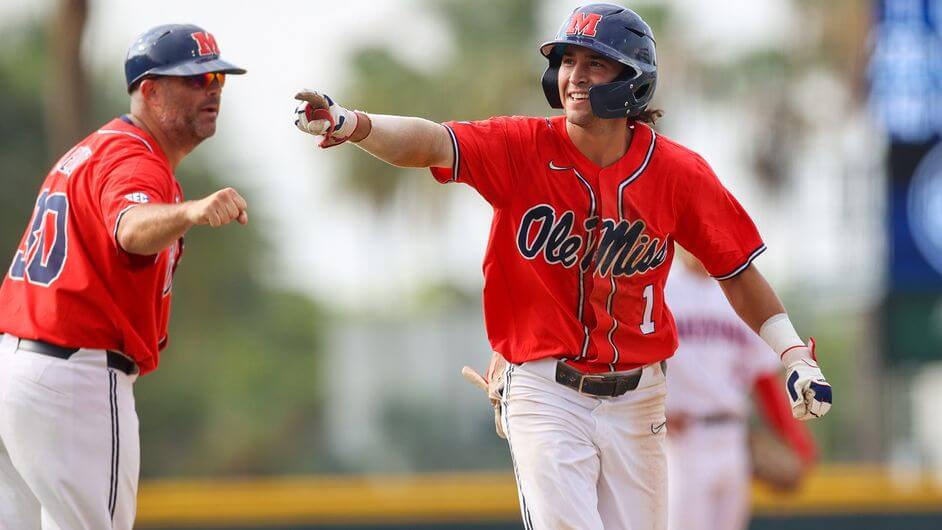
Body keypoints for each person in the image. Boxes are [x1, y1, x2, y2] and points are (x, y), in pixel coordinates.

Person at [292, 3, 832, 529]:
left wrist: (793, 356)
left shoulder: (676, 173)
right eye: (569, 60)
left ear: (633, 80)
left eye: (595, 63)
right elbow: (434, 142)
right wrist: (354, 122)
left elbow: (735, 268)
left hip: (640, 398)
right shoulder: (522, 147)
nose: (574, 75)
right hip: (544, 391)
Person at [0, 24, 247, 530]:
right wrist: (191, 211)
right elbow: (129, 229)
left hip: (18, 374)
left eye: (217, 77)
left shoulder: (96, 149)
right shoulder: (137, 160)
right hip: (73, 381)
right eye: (195, 79)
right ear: (150, 91)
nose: (213, 89)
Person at [665, 249, 817, 530]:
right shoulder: (663, 291)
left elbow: (763, 376)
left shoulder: (738, 294)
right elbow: (636, 365)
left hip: (733, 435)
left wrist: (796, 439)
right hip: (682, 438)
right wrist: (652, 416)